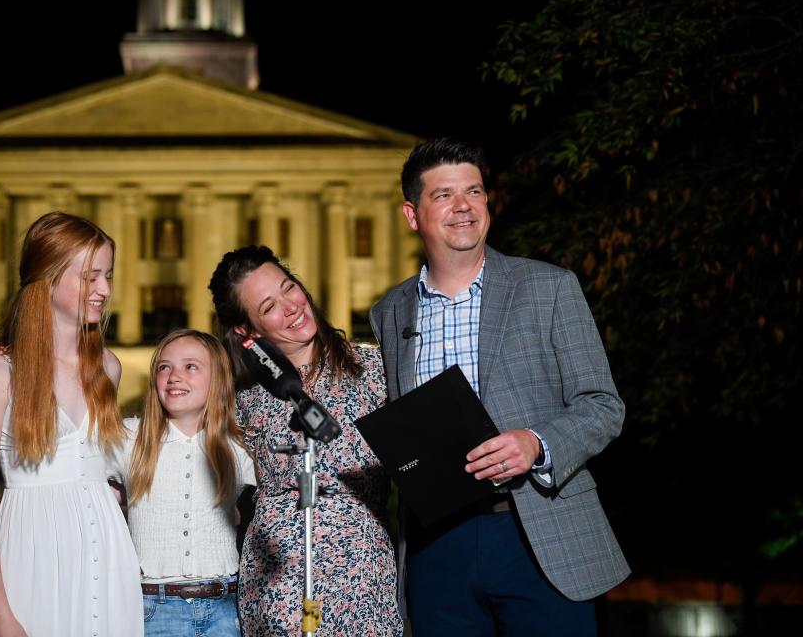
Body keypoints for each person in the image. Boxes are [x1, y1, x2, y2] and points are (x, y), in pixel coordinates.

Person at [369, 138, 630, 636]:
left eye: (475, 191)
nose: (463, 206)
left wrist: (537, 442)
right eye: (444, 195)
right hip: (435, 544)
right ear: (412, 214)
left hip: (537, 529)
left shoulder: (549, 287)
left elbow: (603, 405)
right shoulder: (389, 311)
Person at [208, 246, 403, 637]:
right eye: (269, 307)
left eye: (288, 287)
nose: (291, 306)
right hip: (277, 590)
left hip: (363, 584)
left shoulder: (377, 372)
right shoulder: (240, 399)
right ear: (248, 331)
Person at [0, 212, 142, 637]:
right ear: (46, 278)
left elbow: (103, 468)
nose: (104, 289)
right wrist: (0, 615)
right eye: (90, 277)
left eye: (108, 276)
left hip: (109, 552)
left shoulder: (109, 368)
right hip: (32, 555)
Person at [107, 329, 256, 637]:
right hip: (151, 608)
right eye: (164, 367)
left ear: (217, 379)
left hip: (226, 609)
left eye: (190, 366)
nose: (174, 376)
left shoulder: (239, 447)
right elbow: (78, 483)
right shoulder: (128, 438)